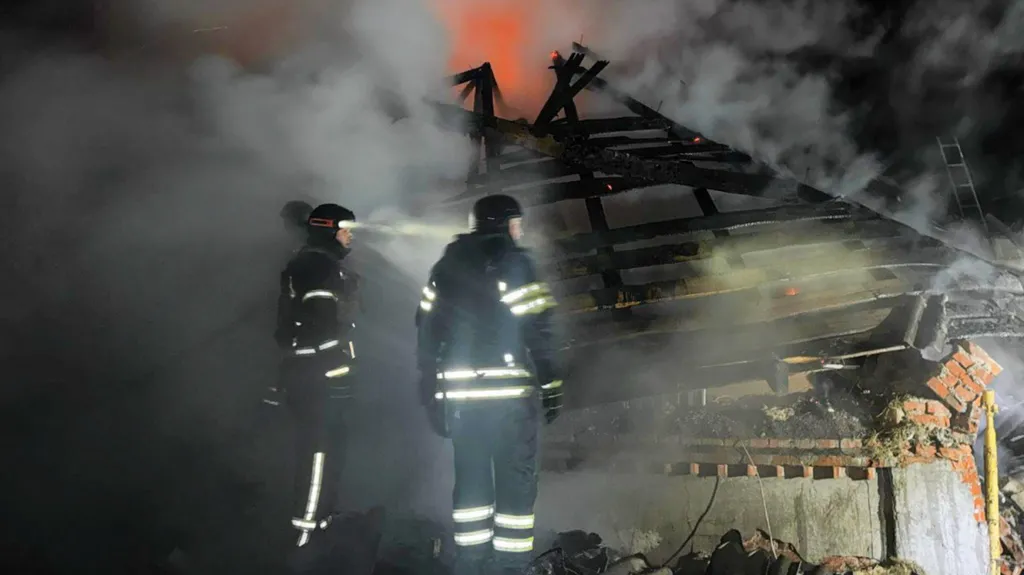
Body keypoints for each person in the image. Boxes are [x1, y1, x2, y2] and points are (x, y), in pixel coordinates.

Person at [415, 194, 563, 575]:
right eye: (517, 223)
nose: (520, 231)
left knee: (470, 486)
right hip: (509, 402)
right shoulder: (515, 263)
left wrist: (430, 391)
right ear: (506, 224)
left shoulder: (446, 266)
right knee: (515, 485)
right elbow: (539, 327)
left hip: (462, 402)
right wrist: (551, 383)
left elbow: (427, 332)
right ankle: (510, 568)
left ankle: (469, 566)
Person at [265, 202, 360, 549]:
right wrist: (335, 370)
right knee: (318, 454)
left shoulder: (317, 263)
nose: (350, 236)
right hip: (318, 378)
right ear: (328, 229)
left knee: (328, 450)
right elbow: (319, 328)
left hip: (313, 375)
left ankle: (320, 524)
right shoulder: (318, 267)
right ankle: (304, 536)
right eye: (345, 229)